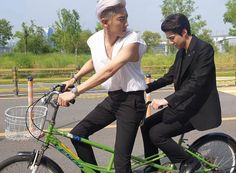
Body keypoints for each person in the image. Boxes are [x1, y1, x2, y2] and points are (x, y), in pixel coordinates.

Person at [57, 0, 147, 172]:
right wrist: (74, 79)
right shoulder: (96, 40)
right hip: (113, 99)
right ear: (105, 22)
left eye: (126, 17)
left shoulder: (132, 40)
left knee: (121, 163)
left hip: (131, 102)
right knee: (77, 134)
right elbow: (94, 60)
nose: (126, 23)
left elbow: (109, 70)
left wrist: (75, 92)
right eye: (121, 19)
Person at [140, 13, 221, 173]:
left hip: (198, 110)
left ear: (184, 32)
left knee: (157, 134)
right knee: (146, 125)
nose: (171, 42)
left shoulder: (204, 49)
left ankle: (191, 163)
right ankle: (152, 167)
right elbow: (170, 76)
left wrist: (167, 100)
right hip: (183, 105)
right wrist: (143, 88)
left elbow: (196, 83)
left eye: (172, 38)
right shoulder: (181, 52)